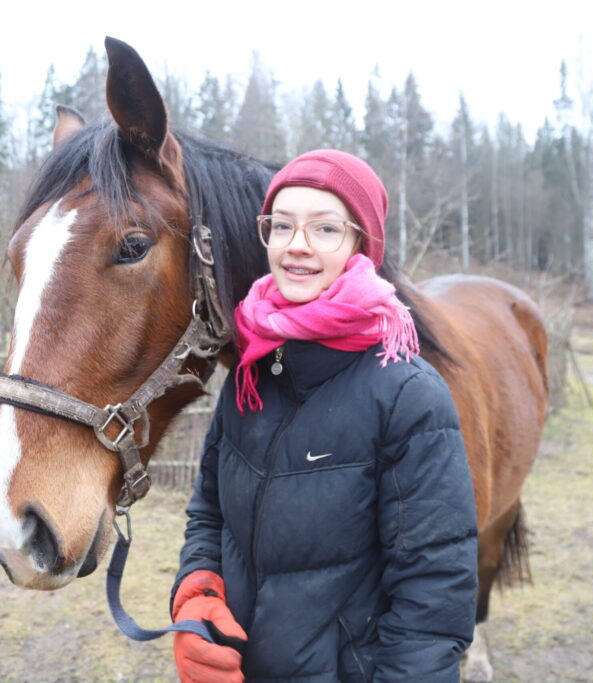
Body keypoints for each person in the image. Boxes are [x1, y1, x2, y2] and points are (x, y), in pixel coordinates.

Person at [171, 149, 478, 682]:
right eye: (282, 225)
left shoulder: (407, 395)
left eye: (326, 229)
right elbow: (210, 510)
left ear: (362, 244)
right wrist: (198, 590)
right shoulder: (252, 365)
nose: (297, 246)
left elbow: (434, 592)